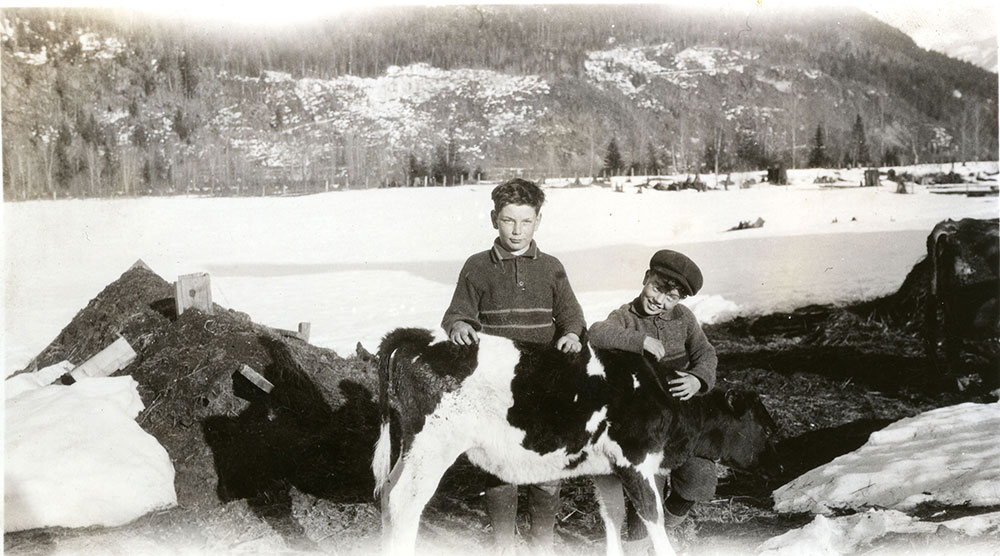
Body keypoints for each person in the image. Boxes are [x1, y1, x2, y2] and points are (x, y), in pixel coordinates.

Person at [442, 177, 587, 552]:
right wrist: (459, 325)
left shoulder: (552, 268)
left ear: (538, 221)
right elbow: (458, 313)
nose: (517, 230)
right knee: (499, 465)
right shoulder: (477, 267)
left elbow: (572, 317)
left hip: (543, 384)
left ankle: (543, 543)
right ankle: (504, 543)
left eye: (525, 221)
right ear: (494, 219)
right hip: (496, 386)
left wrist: (571, 334)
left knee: (545, 466)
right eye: (508, 220)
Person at [588, 249, 718, 540]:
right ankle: (641, 542)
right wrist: (639, 340)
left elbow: (706, 354)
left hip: (686, 422)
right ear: (646, 278)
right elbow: (596, 333)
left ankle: (667, 528)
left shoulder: (684, 319)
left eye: (670, 296)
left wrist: (698, 380)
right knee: (648, 494)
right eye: (657, 288)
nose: (659, 300)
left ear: (680, 300)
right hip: (647, 427)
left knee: (699, 480)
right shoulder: (625, 317)